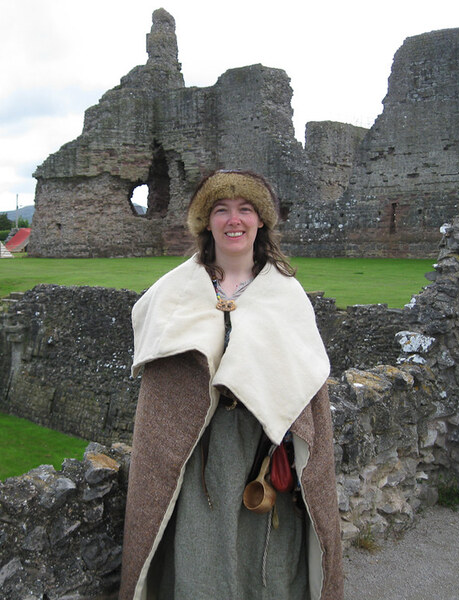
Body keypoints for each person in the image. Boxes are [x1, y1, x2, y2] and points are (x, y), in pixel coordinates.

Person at [120, 169, 343, 600]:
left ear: (261, 221)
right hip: (196, 451)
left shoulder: (286, 294)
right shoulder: (174, 290)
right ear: (206, 222)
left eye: (245, 209)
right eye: (221, 210)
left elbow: (305, 381)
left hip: (264, 450)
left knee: (267, 557)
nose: (233, 220)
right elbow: (160, 388)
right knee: (199, 550)